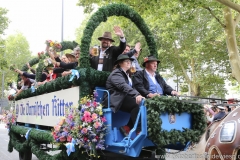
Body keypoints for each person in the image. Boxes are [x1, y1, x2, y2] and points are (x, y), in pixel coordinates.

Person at [103, 54, 144, 137]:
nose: (129, 62)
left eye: (130, 61)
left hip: (123, 98)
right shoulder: (116, 74)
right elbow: (123, 86)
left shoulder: (127, 74)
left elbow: (131, 88)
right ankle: (139, 131)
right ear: (120, 63)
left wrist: (140, 95)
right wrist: (136, 95)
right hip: (115, 99)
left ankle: (127, 127)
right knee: (137, 104)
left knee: (141, 103)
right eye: (126, 61)